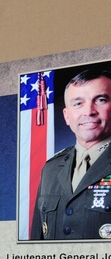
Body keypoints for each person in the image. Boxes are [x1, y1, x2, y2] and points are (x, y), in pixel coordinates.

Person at [31, 68, 111, 239]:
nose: (89, 111)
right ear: (67, 116)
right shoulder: (51, 169)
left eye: (101, 100)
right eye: (78, 103)